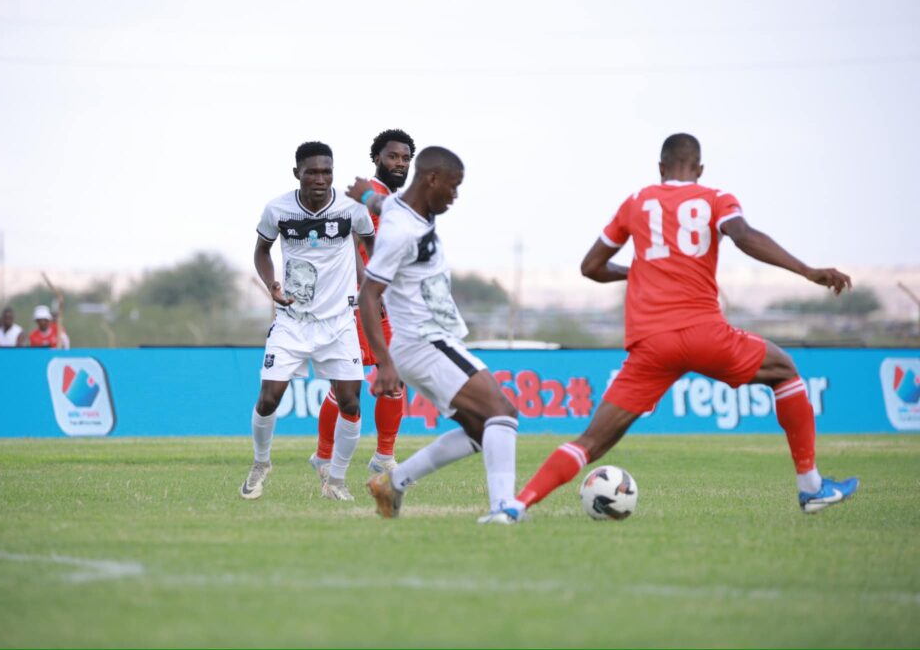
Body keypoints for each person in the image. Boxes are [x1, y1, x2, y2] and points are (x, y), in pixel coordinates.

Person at [515, 133, 858, 517]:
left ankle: (516, 505)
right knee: (784, 371)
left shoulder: (636, 202)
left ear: (660, 169)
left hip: (651, 343)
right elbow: (743, 236)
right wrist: (806, 270)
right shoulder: (715, 199)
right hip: (705, 334)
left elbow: (590, 267)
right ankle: (811, 487)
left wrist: (640, 272)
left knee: (591, 440)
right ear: (699, 169)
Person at [358, 146, 527, 525]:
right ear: (432, 180)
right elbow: (368, 294)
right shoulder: (401, 231)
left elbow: (387, 206)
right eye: (453, 187)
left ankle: (393, 483)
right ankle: (503, 509)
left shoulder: (406, 210)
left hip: (429, 342)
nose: (455, 196)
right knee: (503, 413)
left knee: (481, 428)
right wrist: (384, 363)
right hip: (425, 342)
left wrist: (366, 197)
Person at [241, 141, 376, 502]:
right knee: (269, 398)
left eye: (327, 171)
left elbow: (371, 245)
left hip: (339, 322)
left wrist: (374, 286)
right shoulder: (278, 210)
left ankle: (335, 479)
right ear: (297, 173)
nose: (320, 178)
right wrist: (271, 285)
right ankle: (261, 463)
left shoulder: (351, 210)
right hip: (293, 320)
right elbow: (261, 251)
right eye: (312, 172)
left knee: (351, 402)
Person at [311, 129, 416, 481]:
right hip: (354, 304)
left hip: (382, 303)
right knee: (346, 387)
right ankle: (324, 456)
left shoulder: (391, 201)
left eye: (405, 158)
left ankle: (384, 455)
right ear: (377, 158)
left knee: (393, 377)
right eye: (392, 157)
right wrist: (367, 290)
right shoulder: (366, 198)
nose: (399, 163)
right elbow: (353, 243)